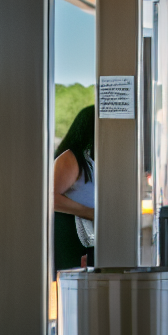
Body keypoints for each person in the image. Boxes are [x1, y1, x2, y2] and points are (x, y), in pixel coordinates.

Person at [52, 106, 96, 271]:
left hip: (85, 236)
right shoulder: (71, 158)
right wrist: (88, 212)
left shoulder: (89, 158)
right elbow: (51, 198)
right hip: (70, 234)